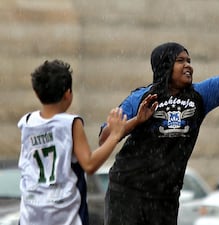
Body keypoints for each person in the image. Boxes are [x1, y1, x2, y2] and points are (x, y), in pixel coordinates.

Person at [98, 11, 219, 225]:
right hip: (127, 191)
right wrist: (137, 120)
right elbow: (105, 139)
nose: (188, 65)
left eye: (189, 60)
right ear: (165, 65)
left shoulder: (200, 96)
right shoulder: (141, 97)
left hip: (165, 197)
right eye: (180, 60)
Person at [17, 59, 156, 225]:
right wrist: (114, 136)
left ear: (36, 92)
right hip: (64, 215)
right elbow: (89, 165)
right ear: (68, 94)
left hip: (31, 214)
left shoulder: (26, 122)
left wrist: (136, 121)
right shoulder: (70, 123)